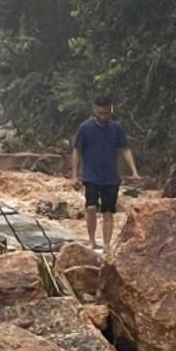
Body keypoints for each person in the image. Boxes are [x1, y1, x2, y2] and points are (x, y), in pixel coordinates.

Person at [72, 94, 140, 252]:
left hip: (111, 177)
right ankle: (91, 241)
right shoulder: (85, 128)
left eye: (106, 113)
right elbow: (77, 151)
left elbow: (125, 149)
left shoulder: (116, 128)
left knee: (108, 211)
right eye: (100, 113)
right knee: (90, 207)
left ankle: (107, 244)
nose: (103, 116)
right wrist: (74, 175)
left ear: (111, 110)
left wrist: (134, 172)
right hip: (91, 175)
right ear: (94, 110)